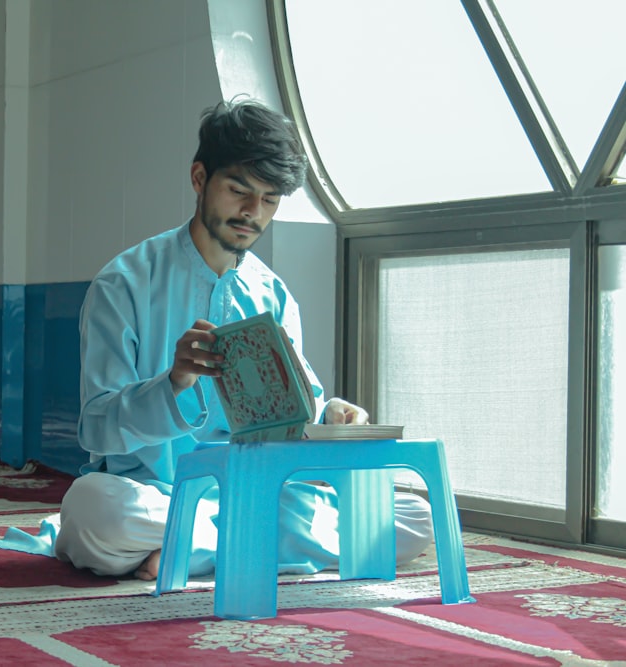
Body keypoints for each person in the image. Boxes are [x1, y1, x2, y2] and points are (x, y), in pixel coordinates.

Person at [50, 99, 433, 581]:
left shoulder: (273, 296)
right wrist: (174, 384)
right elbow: (96, 429)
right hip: (156, 493)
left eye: (269, 200)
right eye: (239, 191)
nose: (253, 212)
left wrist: (330, 414)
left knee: (414, 513)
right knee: (93, 510)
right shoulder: (124, 284)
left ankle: (191, 550)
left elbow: (296, 415)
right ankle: (238, 545)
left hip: (261, 493)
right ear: (198, 178)